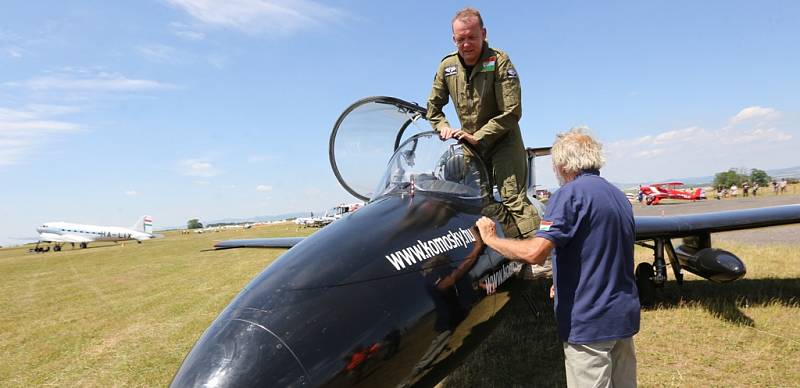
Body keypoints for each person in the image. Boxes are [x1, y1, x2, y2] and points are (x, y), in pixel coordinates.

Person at [475, 127, 640, 388]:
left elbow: (535, 253)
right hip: (622, 317)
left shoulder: (569, 195)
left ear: (563, 164)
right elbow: (603, 249)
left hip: (589, 323)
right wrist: (564, 279)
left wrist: (492, 239)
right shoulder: (619, 196)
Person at [427, 8, 538, 241]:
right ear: (453, 39)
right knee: (481, 203)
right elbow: (433, 110)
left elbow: (512, 111)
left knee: (513, 199)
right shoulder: (447, 67)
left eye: (472, 37)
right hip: (472, 147)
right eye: (461, 39)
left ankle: (543, 259)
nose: (466, 44)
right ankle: (513, 248)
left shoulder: (498, 61)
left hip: (502, 140)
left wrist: (480, 135)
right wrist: (442, 127)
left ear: (484, 34)